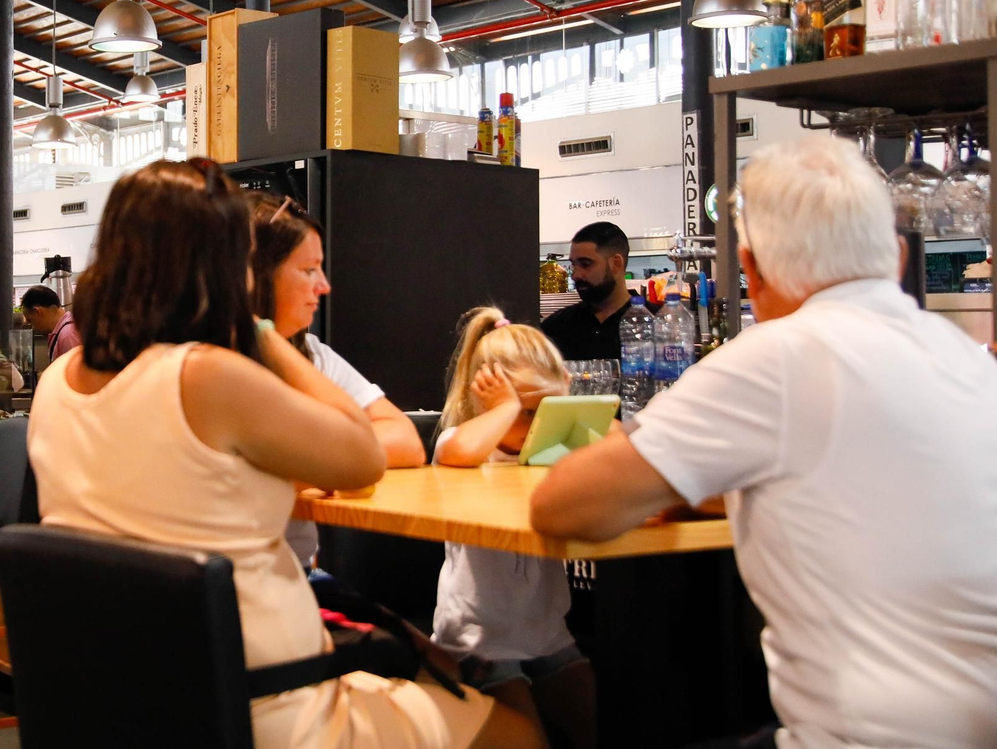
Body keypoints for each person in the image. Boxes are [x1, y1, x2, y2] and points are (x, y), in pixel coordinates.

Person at [530, 136, 997, 749]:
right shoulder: (967, 360)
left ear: (752, 268)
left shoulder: (775, 358)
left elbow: (562, 504)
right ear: (897, 259)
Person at [30, 159, 540, 749]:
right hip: (265, 699)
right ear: (216, 265)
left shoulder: (60, 377)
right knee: (518, 729)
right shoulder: (205, 375)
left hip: (133, 691)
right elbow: (361, 455)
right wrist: (263, 334)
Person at [430, 308, 594, 749]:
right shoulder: (464, 444)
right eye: (525, 411)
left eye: (548, 410)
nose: (536, 423)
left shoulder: (555, 449)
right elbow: (460, 449)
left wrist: (578, 419)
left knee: (598, 721)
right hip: (476, 638)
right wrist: (504, 409)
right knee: (525, 739)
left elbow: (625, 446)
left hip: (546, 633)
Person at [249, 193, 426, 566]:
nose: (324, 286)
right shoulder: (212, 363)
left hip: (294, 575)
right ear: (257, 275)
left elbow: (406, 440)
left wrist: (308, 465)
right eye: (309, 269)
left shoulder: (312, 353)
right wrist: (328, 463)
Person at [538, 222, 635, 362]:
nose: (575, 275)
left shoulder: (653, 323)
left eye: (585, 264)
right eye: (573, 265)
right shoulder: (556, 327)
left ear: (616, 264)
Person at [20, 285, 80, 359]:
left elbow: (75, 370)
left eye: (30, 320)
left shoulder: (67, 335)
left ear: (38, 311)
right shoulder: (64, 332)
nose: (33, 327)